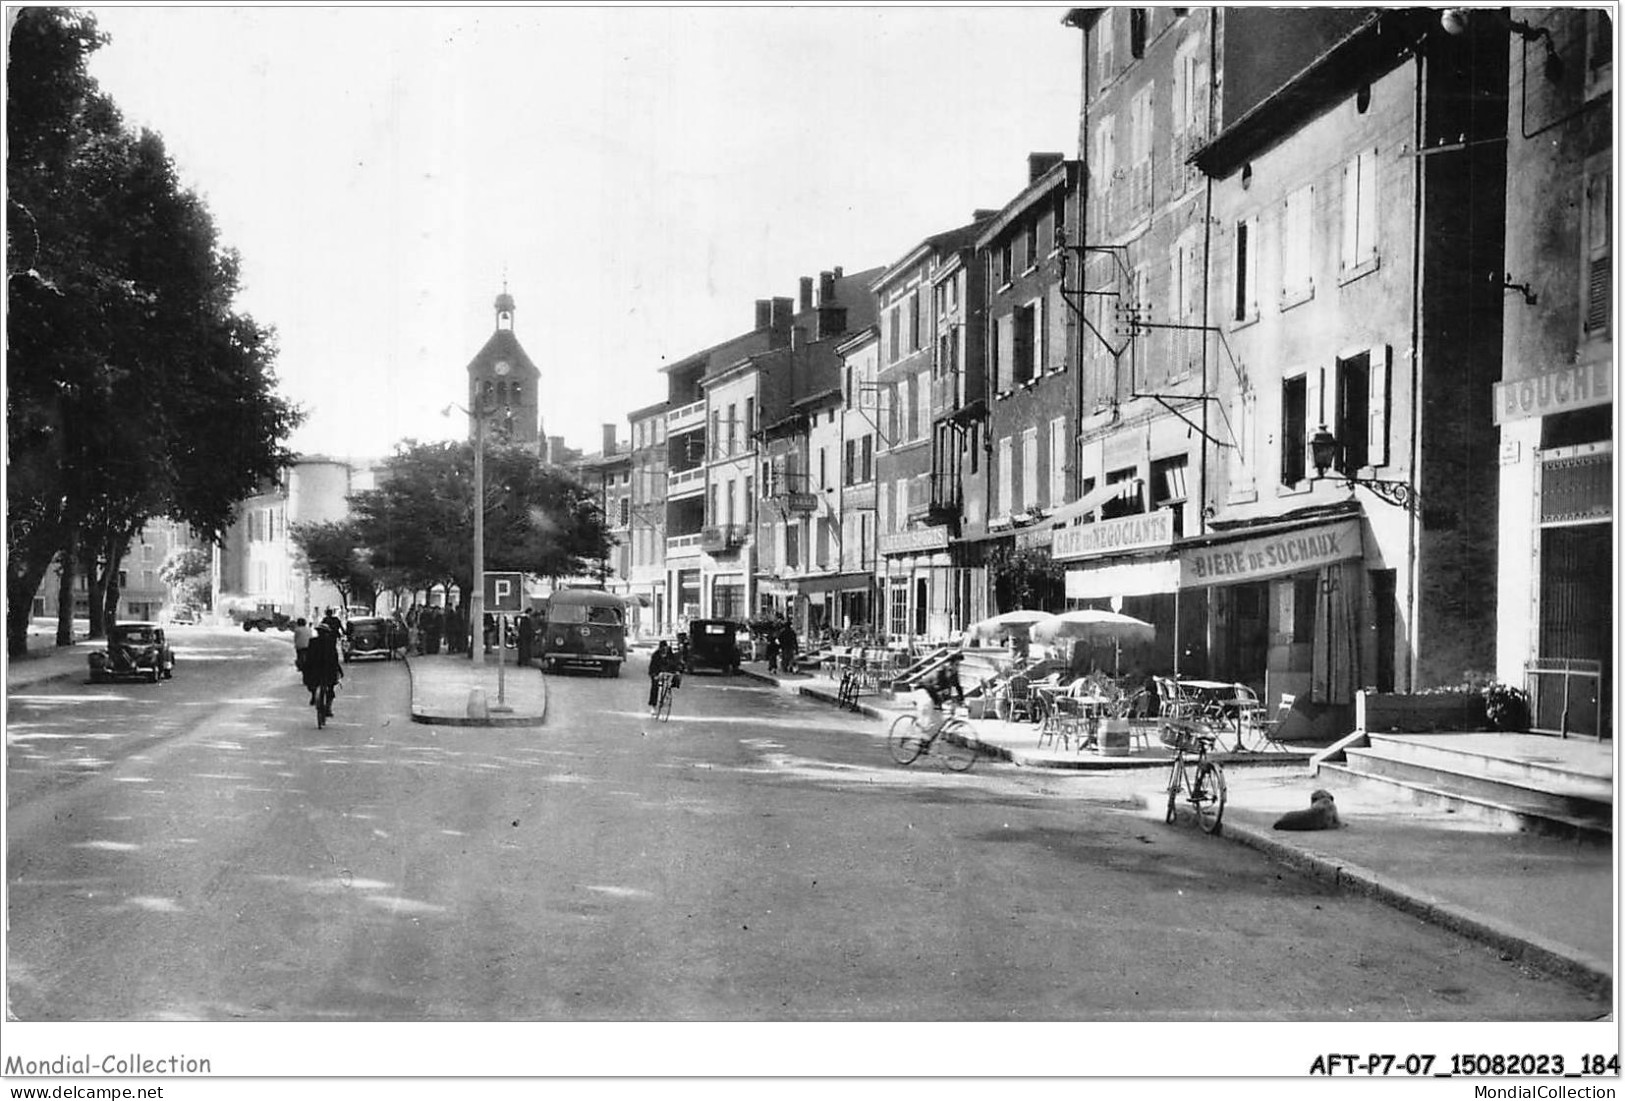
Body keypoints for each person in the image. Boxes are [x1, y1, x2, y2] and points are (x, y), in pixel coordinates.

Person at [303, 622, 344, 728]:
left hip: (315, 669)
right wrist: (339, 670)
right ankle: (328, 707)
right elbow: (334, 658)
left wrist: (306, 668)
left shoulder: (313, 642)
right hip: (327, 670)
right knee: (330, 687)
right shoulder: (330, 642)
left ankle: (313, 696)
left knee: (311, 682)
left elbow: (309, 657)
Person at [915, 652, 966, 738]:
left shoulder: (953, 674)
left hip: (933, 694)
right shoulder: (941, 671)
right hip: (924, 691)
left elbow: (957, 687)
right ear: (950, 664)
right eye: (956, 665)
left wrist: (961, 701)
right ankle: (920, 737)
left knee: (938, 721)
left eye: (959, 665)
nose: (958, 667)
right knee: (931, 716)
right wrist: (947, 700)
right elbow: (937, 687)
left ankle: (926, 740)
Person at [648, 640, 677, 714]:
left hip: (667, 672)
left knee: (673, 681)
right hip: (657, 672)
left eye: (666, 649)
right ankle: (653, 705)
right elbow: (652, 668)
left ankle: (665, 697)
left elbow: (674, 664)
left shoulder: (670, 654)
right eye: (663, 649)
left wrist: (676, 671)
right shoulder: (655, 655)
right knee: (655, 686)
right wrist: (655, 675)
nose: (665, 651)